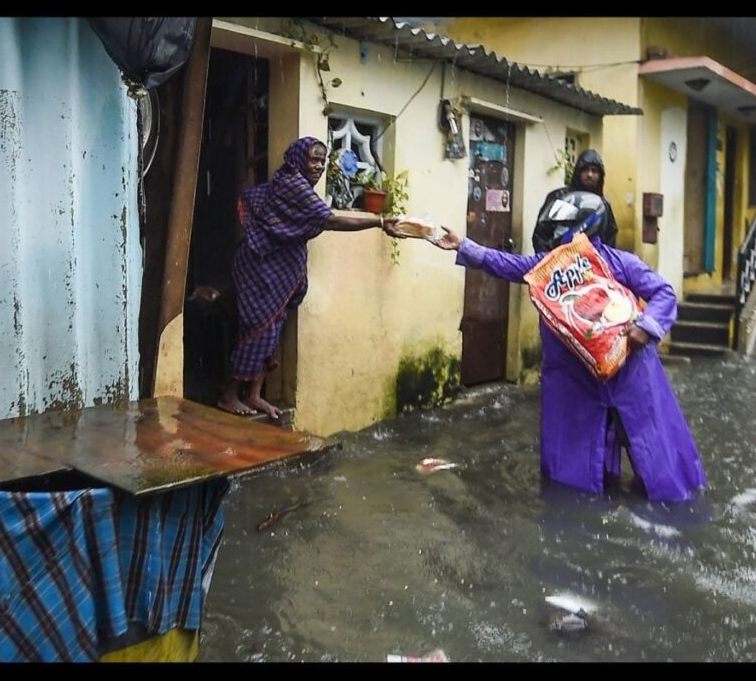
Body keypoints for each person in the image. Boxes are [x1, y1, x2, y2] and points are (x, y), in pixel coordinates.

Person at [419, 197, 706, 503]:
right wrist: (463, 245)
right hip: (575, 379)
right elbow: (507, 264)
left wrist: (646, 327)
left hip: (628, 371)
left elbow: (662, 292)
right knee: (575, 466)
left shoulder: (618, 262)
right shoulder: (548, 266)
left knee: (646, 446)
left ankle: (667, 501)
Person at [219, 136, 399, 419]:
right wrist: (378, 221)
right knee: (257, 330)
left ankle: (254, 395)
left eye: (322, 161)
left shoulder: (290, 182)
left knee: (273, 327)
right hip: (261, 267)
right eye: (313, 159)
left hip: (278, 271)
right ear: (299, 159)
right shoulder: (293, 185)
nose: (318, 166)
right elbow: (330, 220)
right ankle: (229, 396)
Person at [533, 149, 617, 253]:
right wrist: (547, 259)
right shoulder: (561, 197)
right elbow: (542, 232)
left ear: (600, 176)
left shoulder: (603, 205)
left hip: (591, 264)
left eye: (594, 171)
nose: (589, 174)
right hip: (558, 261)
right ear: (578, 172)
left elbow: (609, 239)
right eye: (585, 170)